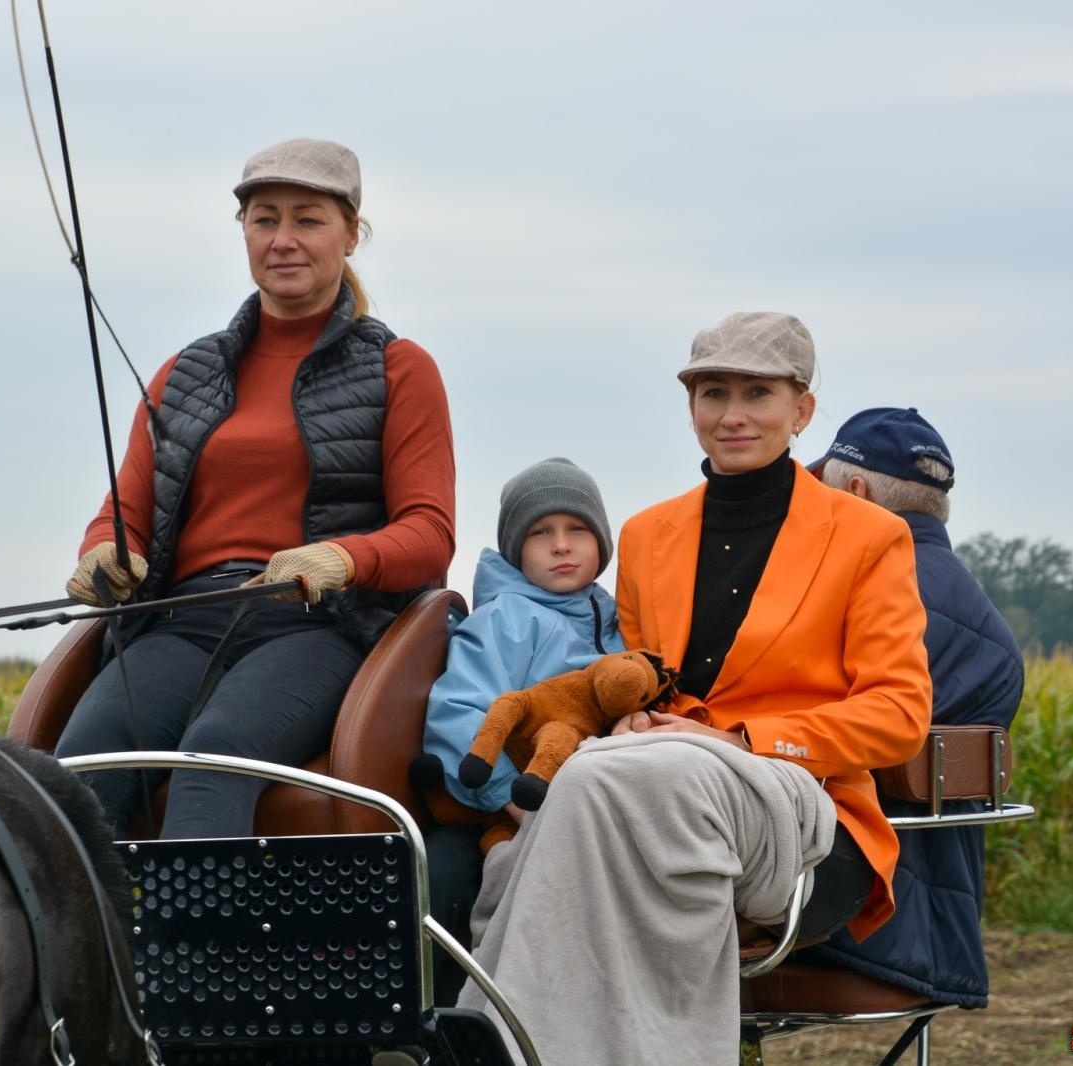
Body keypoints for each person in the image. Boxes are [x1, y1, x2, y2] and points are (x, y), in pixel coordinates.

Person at [456, 312, 932, 1065]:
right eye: (713, 393)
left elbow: (899, 715)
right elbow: (642, 686)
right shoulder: (649, 536)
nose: (733, 415)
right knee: (590, 775)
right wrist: (633, 721)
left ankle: (498, 1032)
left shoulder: (870, 537)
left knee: (633, 778)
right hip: (652, 787)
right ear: (691, 408)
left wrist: (738, 740)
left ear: (801, 410)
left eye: (758, 393)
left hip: (804, 815)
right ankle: (529, 1041)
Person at [55, 137, 456, 841]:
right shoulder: (185, 370)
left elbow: (429, 533)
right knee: (80, 778)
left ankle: (203, 957)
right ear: (242, 231)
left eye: (308, 219)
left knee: (214, 763)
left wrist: (341, 560)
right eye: (265, 219)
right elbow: (127, 511)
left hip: (321, 626)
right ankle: (103, 954)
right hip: (184, 617)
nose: (284, 239)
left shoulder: (400, 368)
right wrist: (103, 555)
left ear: (352, 235)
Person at [804, 406, 1023, 1007]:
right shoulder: (990, 629)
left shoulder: (866, 594)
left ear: (855, 491)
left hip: (841, 920)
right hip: (939, 936)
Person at [419, 457, 623, 1003]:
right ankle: (448, 1029)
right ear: (516, 549)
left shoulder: (619, 619)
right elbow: (458, 713)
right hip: (505, 809)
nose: (562, 545)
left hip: (594, 808)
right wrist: (517, 801)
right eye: (541, 532)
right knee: (448, 876)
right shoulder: (506, 617)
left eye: (577, 529)